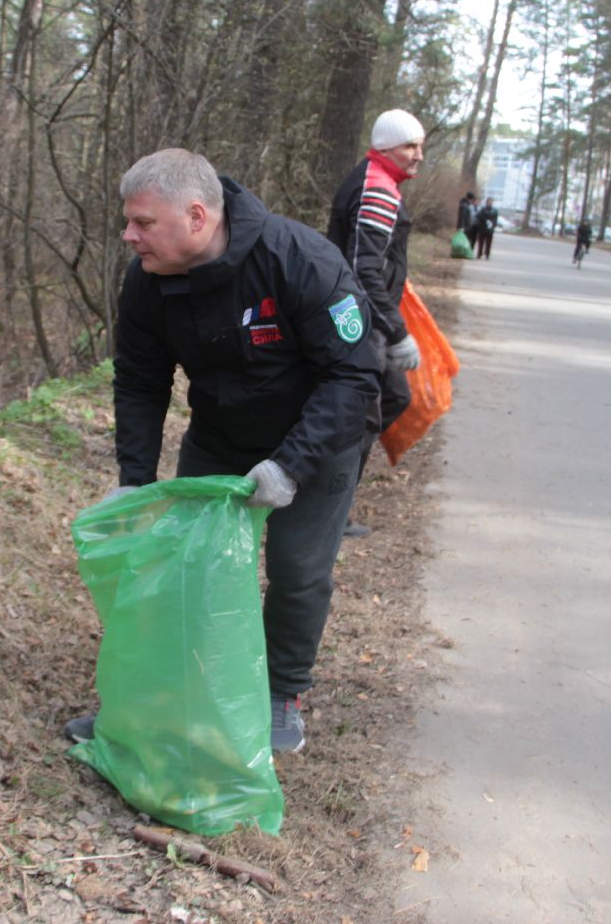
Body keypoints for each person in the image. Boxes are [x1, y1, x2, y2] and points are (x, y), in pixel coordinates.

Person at [65, 148, 381, 755]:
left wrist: (290, 465)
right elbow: (138, 378)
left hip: (319, 441)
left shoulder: (300, 261)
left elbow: (353, 377)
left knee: (296, 570)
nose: (129, 235)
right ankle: (165, 693)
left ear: (196, 215)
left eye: (142, 223)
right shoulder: (149, 280)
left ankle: (279, 693)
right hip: (220, 435)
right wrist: (134, 476)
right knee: (190, 564)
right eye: (129, 222)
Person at [325, 109, 425, 538]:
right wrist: (394, 331)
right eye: (410, 146)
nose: (418, 155)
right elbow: (362, 270)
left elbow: (376, 263)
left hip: (362, 318)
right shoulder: (379, 189)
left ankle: (331, 497)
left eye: (421, 146)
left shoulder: (379, 180)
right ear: (386, 147)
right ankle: (327, 506)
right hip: (358, 323)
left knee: (388, 400)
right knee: (362, 416)